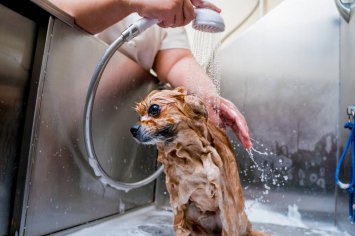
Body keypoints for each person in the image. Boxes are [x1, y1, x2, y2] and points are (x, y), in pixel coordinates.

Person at [51, 0, 253, 149]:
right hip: (49, 110)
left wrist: (206, 97)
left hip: (112, 126)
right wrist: (128, 2)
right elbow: (50, 12)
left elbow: (176, 59)